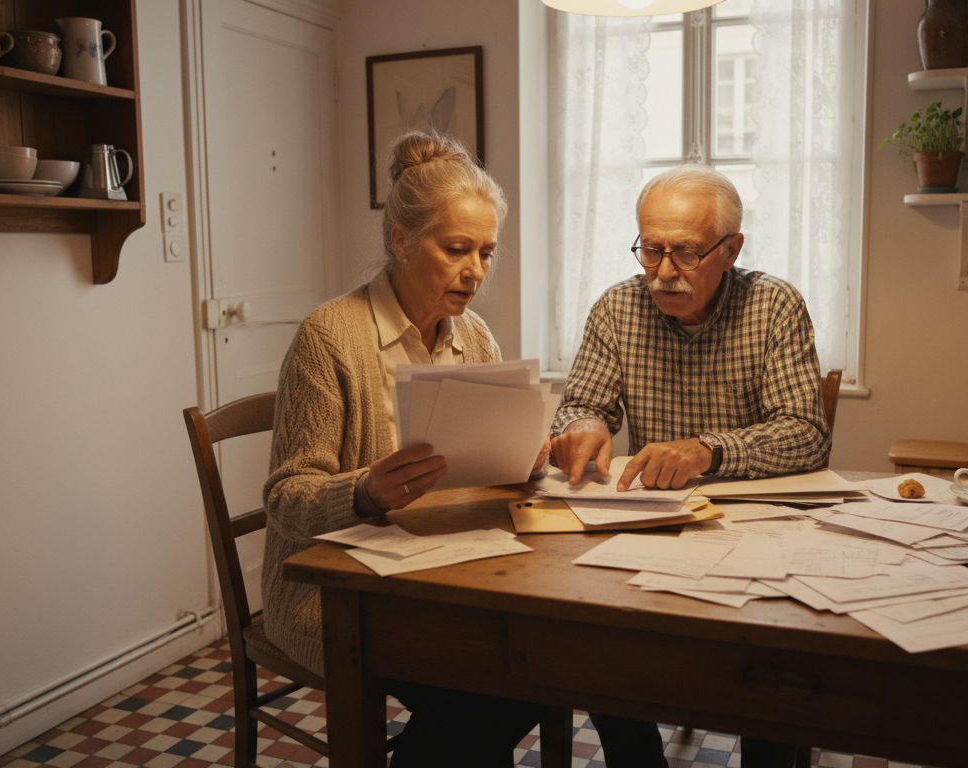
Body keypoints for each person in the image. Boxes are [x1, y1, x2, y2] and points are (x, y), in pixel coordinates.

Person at [262, 131, 549, 767]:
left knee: (533, 665)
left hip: (438, 570)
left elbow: (482, 481)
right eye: (456, 250)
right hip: (329, 592)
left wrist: (523, 460)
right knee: (485, 690)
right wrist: (364, 492)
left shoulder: (474, 337)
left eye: (486, 252)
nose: (475, 271)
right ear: (400, 242)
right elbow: (286, 499)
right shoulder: (329, 337)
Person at [551, 164, 832, 768]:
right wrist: (581, 427)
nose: (663, 272)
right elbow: (579, 405)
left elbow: (807, 436)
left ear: (731, 250)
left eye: (684, 253)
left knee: (772, 661)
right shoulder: (617, 307)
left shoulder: (774, 305)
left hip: (759, 528)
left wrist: (707, 450)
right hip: (659, 521)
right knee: (594, 632)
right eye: (651, 250)